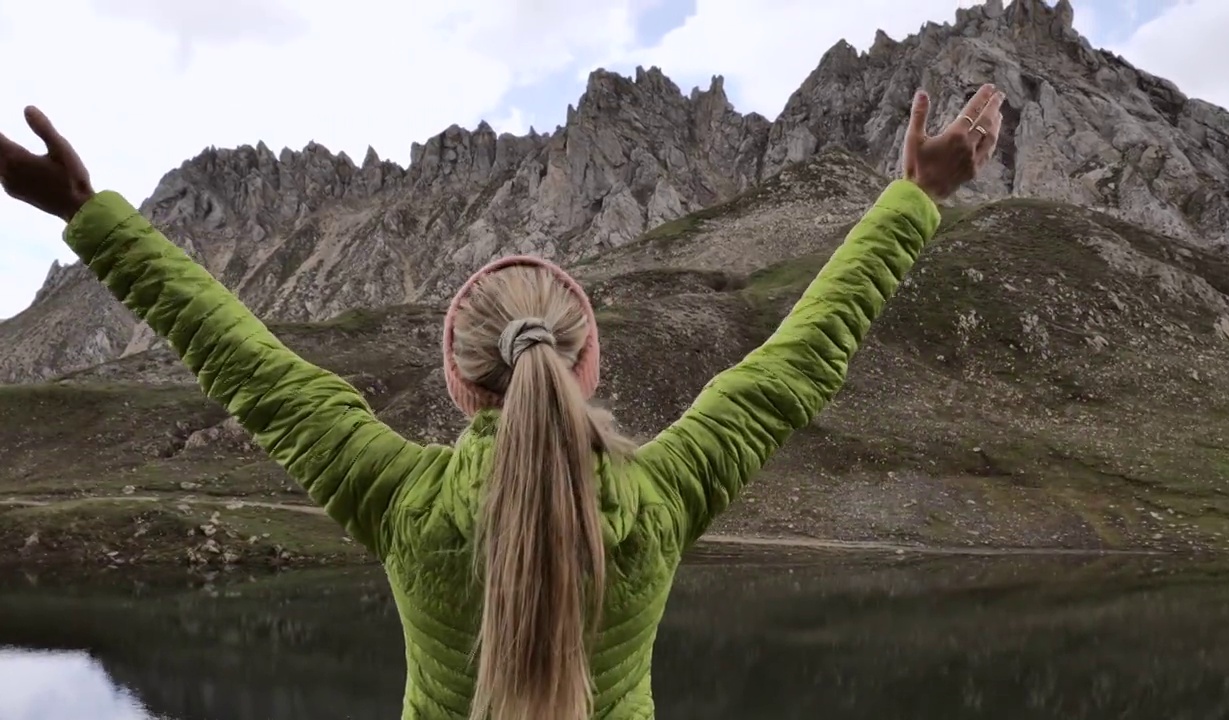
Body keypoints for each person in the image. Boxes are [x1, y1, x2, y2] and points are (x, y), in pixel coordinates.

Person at [0, 83, 1005, 720]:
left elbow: (240, 357)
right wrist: (915, 195)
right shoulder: (658, 504)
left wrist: (89, 217)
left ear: (454, 376)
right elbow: (799, 359)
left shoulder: (400, 501)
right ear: (589, 364)